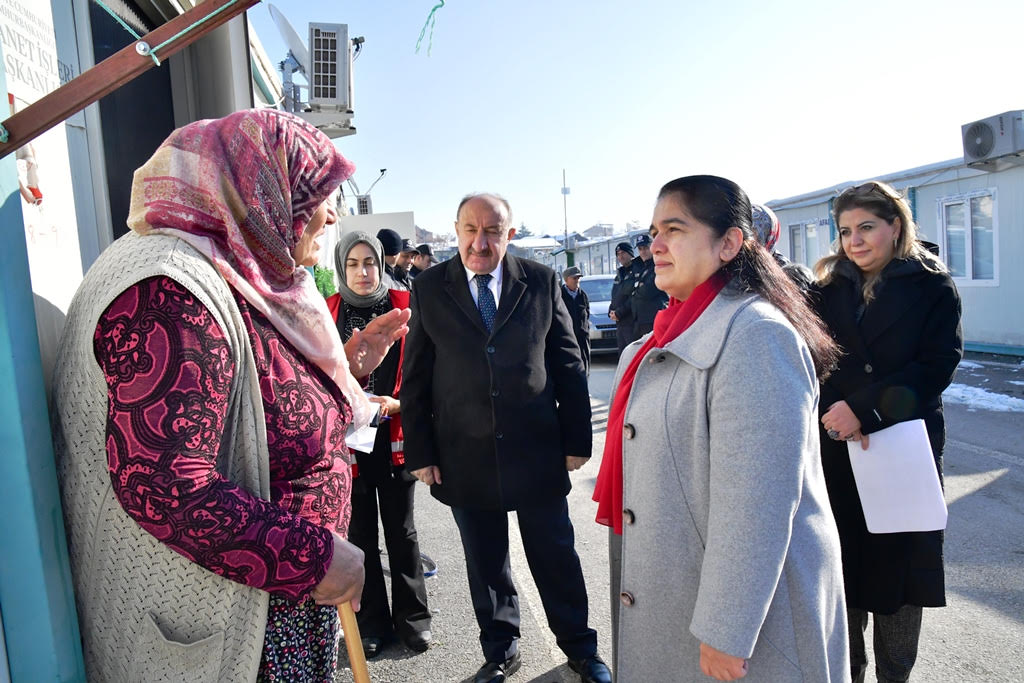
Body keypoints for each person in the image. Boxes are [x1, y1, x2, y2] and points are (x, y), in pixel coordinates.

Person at [49, 110, 411, 683]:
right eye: (316, 194)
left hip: (279, 607)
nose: (333, 213)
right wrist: (312, 558)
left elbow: (260, 400)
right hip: (236, 628)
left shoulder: (238, 270)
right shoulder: (170, 289)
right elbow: (163, 482)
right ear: (261, 191)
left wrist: (346, 374)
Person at [594, 175, 849, 682]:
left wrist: (728, 631)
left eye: (674, 229)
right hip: (681, 593)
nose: (655, 246)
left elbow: (758, 503)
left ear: (729, 243)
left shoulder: (756, 335)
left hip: (752, 627)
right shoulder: (653, 342)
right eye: (652, 232)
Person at [401, 193, 610, 683]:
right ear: (455, 231)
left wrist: (577, 439)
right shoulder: (431, 287)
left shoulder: (540, 281)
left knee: (555, 554)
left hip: (536, 449)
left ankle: (581, 647)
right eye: (470, 230)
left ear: (509, 234)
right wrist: (421, 451)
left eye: (492, 230)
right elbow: (415, 378)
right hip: (463, 454)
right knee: (486, 563)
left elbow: (567, 362)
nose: (480, 242)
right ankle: (501, 650)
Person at [811, 180, 962, 683]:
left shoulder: (932, 286)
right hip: (837, 448)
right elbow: (812, 362)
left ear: (895, 226)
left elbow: (937, 366)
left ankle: (894, 677)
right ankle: (847, 671)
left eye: (867, 227)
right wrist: (836, 415)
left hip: (902, 447)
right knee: (844, 566)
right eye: (845, 230)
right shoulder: (826, 290)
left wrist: (867, 410)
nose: (854, 240)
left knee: (899, 573)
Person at [325, 231, 432, 659]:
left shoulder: (405, 308)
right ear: (342, 268)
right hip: (348, 443)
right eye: (352, 264)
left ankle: (413, 620)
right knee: (360, 533)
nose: (363, 272)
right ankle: (370, 623)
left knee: (402, 531)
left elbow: (427, 376)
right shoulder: (326, 311)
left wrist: (398, 404)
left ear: (382, 263)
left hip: (394, 437)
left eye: (369, 262)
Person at [751, 202, 814, 291]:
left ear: (768, 234)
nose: (747, 240)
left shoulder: (787, 274)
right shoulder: (733, 264)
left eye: (754, 234)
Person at [629, 233, 668, 338]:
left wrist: (636, 290)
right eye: (640, 249)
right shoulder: (642, 267)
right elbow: (630, 289)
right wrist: (638, 287)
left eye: (646, 248)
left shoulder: (658, 265)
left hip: (653, 317)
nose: (643, 251)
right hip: (640, 319)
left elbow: (648, 291)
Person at [608, 241, 640, 353]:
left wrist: (619, 312)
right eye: (618, 254)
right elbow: (616, 296)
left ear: (630, 253)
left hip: (632, 322)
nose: (621, 256)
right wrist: (611, 311)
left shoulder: (637, 271)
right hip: (620, 323)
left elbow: (634, 296)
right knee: (623, 355)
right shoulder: (620, 274)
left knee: (633, 354)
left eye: (623, 253)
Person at [561, 265, 591, 375]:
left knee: (584, 364)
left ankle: (585, 389)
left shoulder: (582, 295)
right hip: (566, 337)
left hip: (582, 336)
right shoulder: (559, 295)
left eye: (578, 278)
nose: (577, 281)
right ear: (566, 279)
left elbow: (586, 313)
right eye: (574, 278)